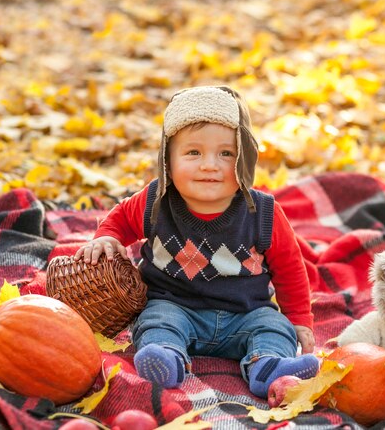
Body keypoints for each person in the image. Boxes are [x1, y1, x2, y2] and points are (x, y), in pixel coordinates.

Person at [75, 86, 318, 398]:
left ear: (245, 159)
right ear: (168, 161)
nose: (209, 165)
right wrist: (107, 237)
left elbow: (290, 269)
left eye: (226, 154)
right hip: (175, 305)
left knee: (273, 326)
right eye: (193, 152)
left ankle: (267, 365)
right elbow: (121, 217)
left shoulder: (263, 213)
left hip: (245, 314)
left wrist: (299, 321)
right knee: (156, 321)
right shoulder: (156, 201)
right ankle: (167, 358)